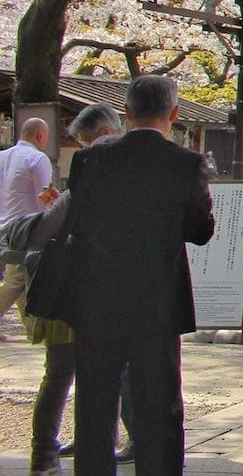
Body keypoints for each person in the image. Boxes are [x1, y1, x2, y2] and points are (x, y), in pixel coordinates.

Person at [48, 75, 214, 476]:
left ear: (126, 113)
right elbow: (201, 231)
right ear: (173, 114)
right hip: (157, 300)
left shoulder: (90, 160)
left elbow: (78, 220)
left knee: (94, 401)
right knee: (159, 403)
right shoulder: (185, 163)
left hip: (98, 297)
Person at [14, 105, 134, 475]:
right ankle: (79, 447)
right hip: (91, 294)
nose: (83, 149)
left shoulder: (92, 170)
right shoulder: (129, 172)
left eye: (85, 141)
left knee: (63, 374)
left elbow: (44, 231)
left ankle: (45, 455)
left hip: (68, 290)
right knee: (101, 373)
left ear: (103, 132)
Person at [0, 117, 58, 332]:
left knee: (20, 279)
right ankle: (36, 328)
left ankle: (33, 328)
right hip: (26, 228)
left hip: (4, 224)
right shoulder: (37, 158)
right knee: (17, 281)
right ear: (40, 136)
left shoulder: (2, 156)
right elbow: (44, 197)